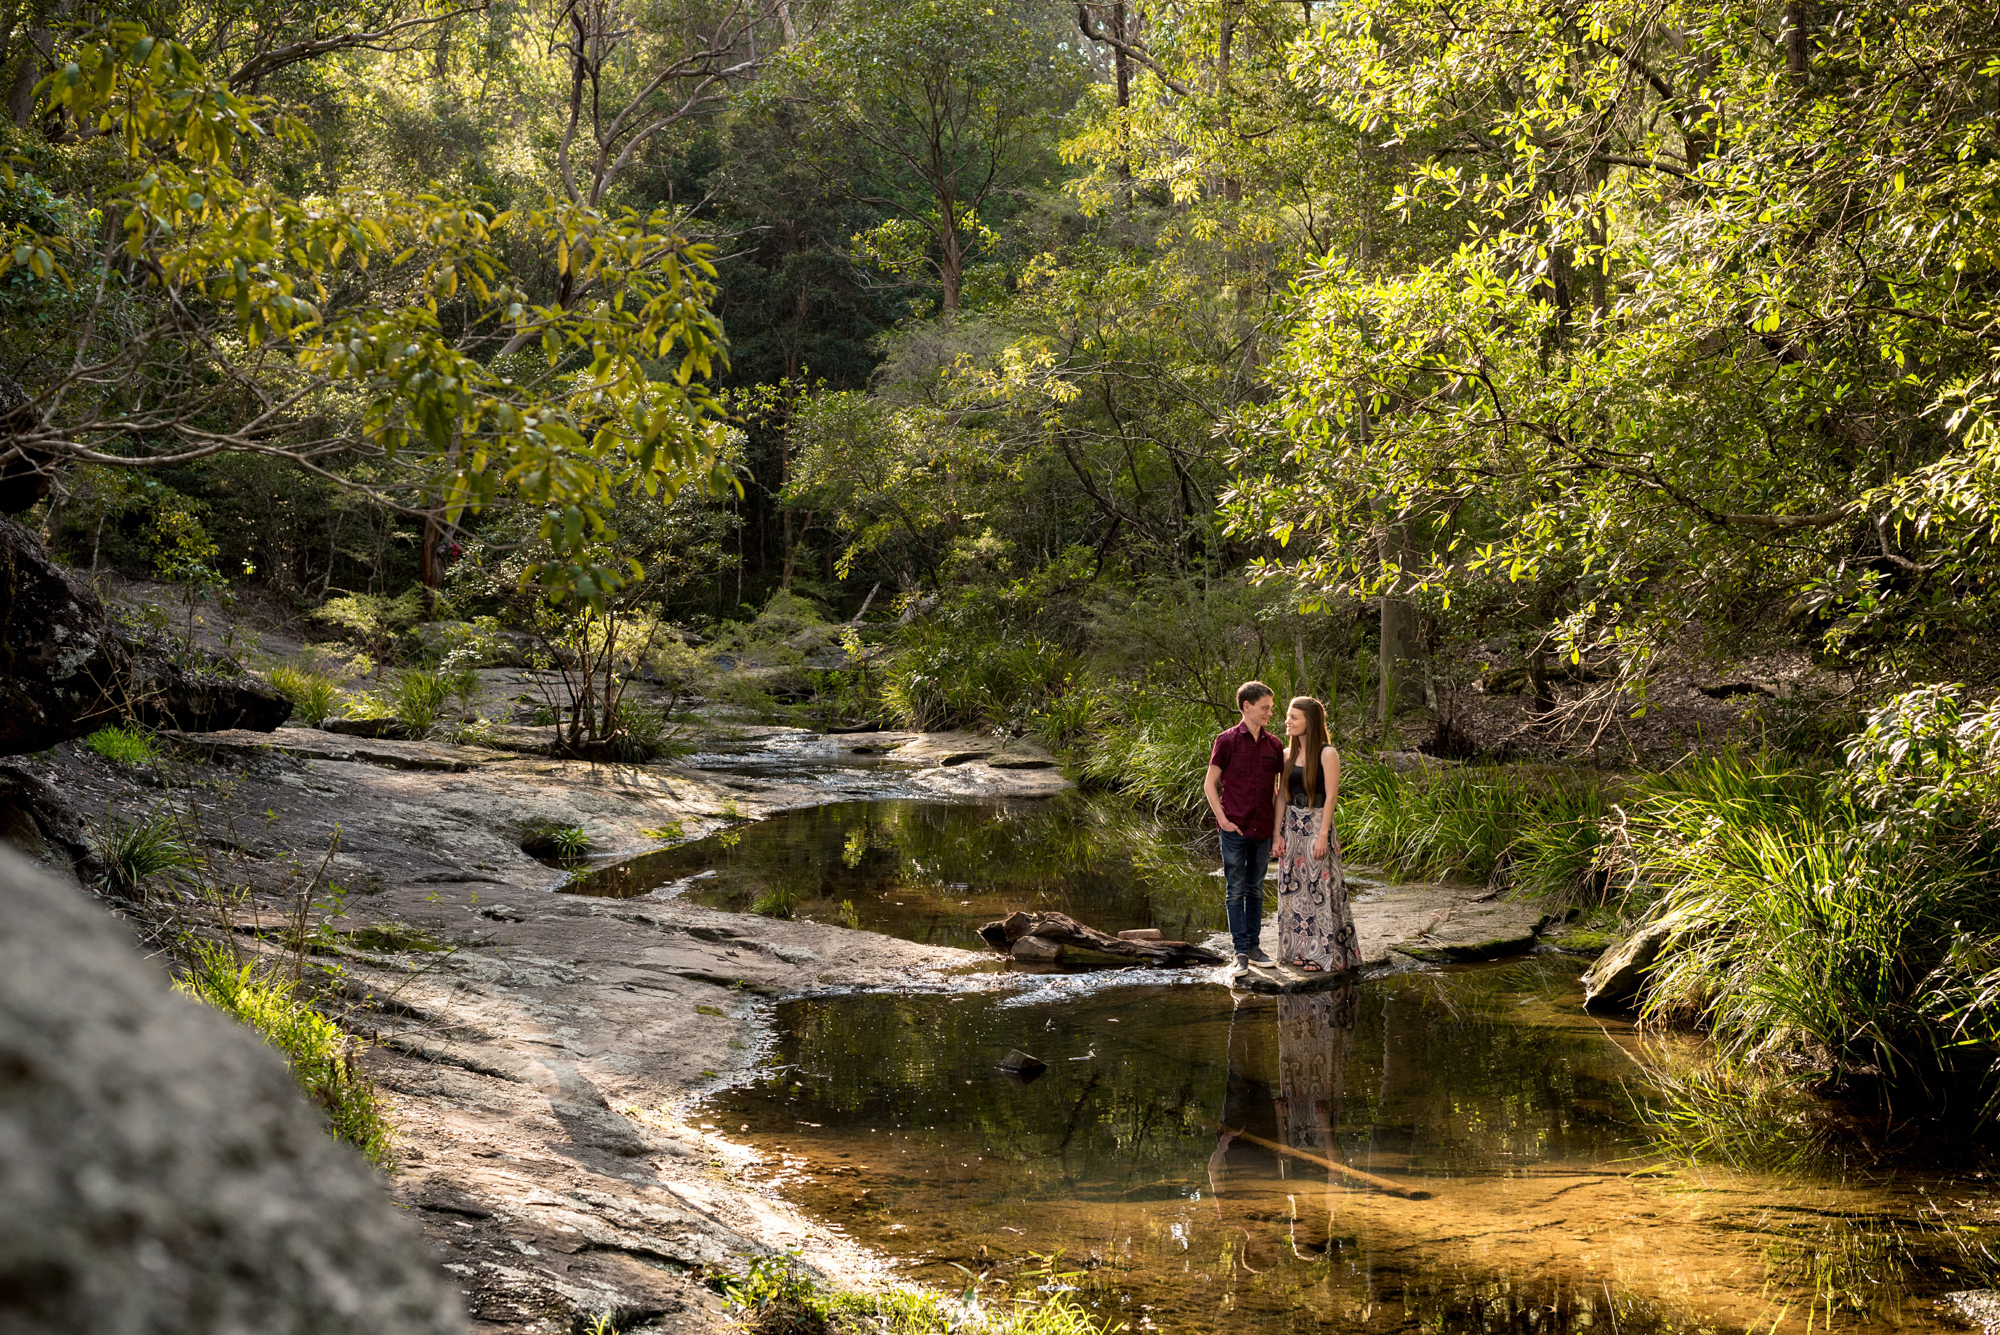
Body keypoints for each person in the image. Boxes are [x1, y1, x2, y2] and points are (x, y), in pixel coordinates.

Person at [1270, 696, 1361, 973]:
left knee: (1317, 889)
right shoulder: (1286, 755)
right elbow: (1281, 797)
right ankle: (1297, 949)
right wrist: (1276, 834)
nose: (1287, 721)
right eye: (1287, 716)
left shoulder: (1326, 754)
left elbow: (1332, 796)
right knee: (1291, 888)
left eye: (1294, 717)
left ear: (1309, 721)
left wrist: (1323, 835)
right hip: (1291, 827)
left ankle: (1322, 954)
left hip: (1316, 825)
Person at [1205, 681, 1286, 972]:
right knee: (1235, 890)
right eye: (1265, 708)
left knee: (1255, 889)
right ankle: (1239, 952)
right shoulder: (1226, 741)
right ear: (1247, 707)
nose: (1269, 713)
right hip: (1234, 830)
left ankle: (1254, 949)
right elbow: (1209, 784)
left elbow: (1278, 793)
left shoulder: (1274, 745)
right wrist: (1223, 820)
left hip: (1263, 829)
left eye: (1271, 709)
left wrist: (1277, 832)